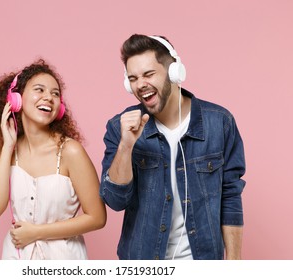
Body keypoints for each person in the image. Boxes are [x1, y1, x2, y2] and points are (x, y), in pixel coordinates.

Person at [99, 34, 246, 260]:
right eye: (133, 78)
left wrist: (234, 263)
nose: (141, 85)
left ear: (174, 72)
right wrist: (126, 146)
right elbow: (115, 201)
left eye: (148, 74)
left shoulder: (219, 123)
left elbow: (230, 195)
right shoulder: (119, 128)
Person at [0, 59, 106, 259]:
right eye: (40, 90)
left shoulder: (71, 151)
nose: (49, 98)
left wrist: (36, 232)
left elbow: (97, 217)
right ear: (16, 99)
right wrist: (8, 146)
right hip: (15, 258)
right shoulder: (7, 151)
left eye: (55, 94)